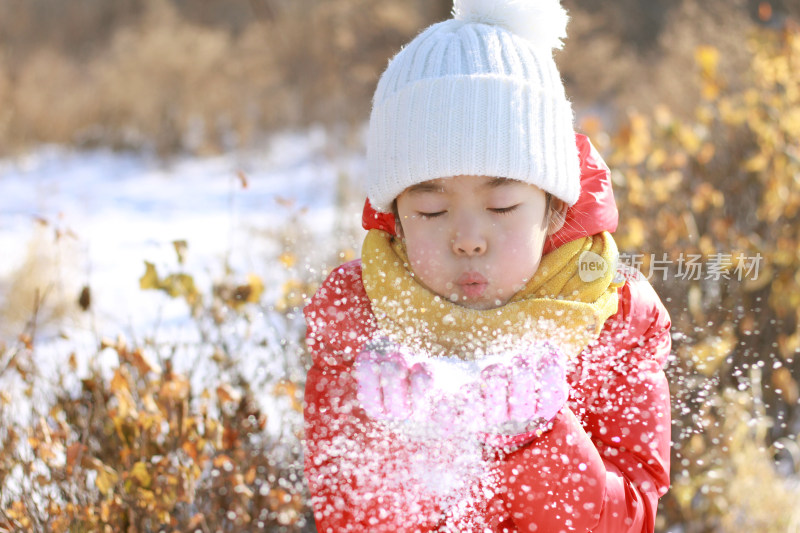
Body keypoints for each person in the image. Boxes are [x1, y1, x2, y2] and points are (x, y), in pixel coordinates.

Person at [303, 0, 672, 531]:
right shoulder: (359, 322)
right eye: (431, 210)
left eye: (500, 207)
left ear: (554, 206)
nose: (469, 240)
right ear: (397, 221)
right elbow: (346, 518)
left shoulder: (615, 317)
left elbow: (630, 520)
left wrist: (541, 436)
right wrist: (397, 444)